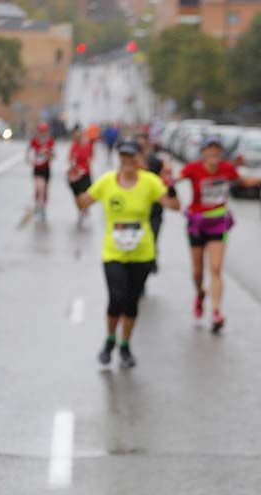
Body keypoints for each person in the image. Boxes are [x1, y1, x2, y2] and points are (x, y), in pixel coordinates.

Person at [76, 138, 179, 368]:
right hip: (113, 252)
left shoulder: (150, 182)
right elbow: (83, 203)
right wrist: (76, 183)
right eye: (123, 156)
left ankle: (125, 345)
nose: (127, 161)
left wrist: (170, 183)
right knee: (116, 299)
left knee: (131, 302)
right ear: (119, 159)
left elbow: (174, 205)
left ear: (138, 159)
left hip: (142, 252)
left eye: (132, 156)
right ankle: (110, 340)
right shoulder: (107, 182)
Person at [173, 135, 261, 333]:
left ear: (221, 153)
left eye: (217, 149)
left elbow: (246, 181)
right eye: (210, 149)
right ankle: (199, 294)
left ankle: (216, 312)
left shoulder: (227, 168)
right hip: (197, 223)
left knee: (215, 268)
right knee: (198, 271)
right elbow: (174, 180)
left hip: (218, 224)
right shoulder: (193, 168)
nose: (213, 153)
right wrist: (166, 179)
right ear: (203, 152)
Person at [136, 131, 172, 273]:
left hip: (155, 210)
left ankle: (151, 259)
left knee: (152, 238)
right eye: (138, 146)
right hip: (136, 211)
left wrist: (168, 176)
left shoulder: (155, 162)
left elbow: (165, 183)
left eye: (143, 145)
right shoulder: (130, 165)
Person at [26, 122, 55, 222]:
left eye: (44, 131)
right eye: (40, 131)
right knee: (38, 187)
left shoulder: (50, 141)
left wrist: (48, 155)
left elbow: (53, 156)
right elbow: (28, 151)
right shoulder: (35, 141)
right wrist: (29, 160)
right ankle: (38, 204)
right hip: (37, 168)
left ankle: (43, 207)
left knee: (45, 190)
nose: (42, 133)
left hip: (46, 169)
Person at [67, 126, 94, 226]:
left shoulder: (88, 146)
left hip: (85, 173)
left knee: (84, 193)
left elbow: (90, 158)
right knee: (76, 195)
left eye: (80, 136)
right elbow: (70, 159)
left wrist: (87, 168)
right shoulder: (74, 146)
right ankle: (80, 209)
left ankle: (84, 209)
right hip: (75, 174)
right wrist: (74, 166)